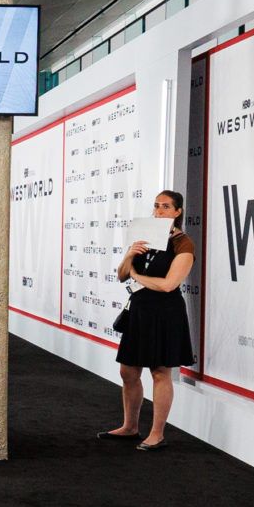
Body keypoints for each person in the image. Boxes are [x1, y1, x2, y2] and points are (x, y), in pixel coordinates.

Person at [105, 191, 195, 450]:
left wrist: (137, 276)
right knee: (128, 371)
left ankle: (157, 434)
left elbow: (168, 285)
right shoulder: (145, 237)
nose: (159, 211)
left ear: (177, 211)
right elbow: (123, 275)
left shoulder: (183, 243)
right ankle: (130, 427)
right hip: (139, 311)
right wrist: (130, 255)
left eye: (166, 207)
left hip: (165, 313)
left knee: (159, 372)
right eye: (156, 206)